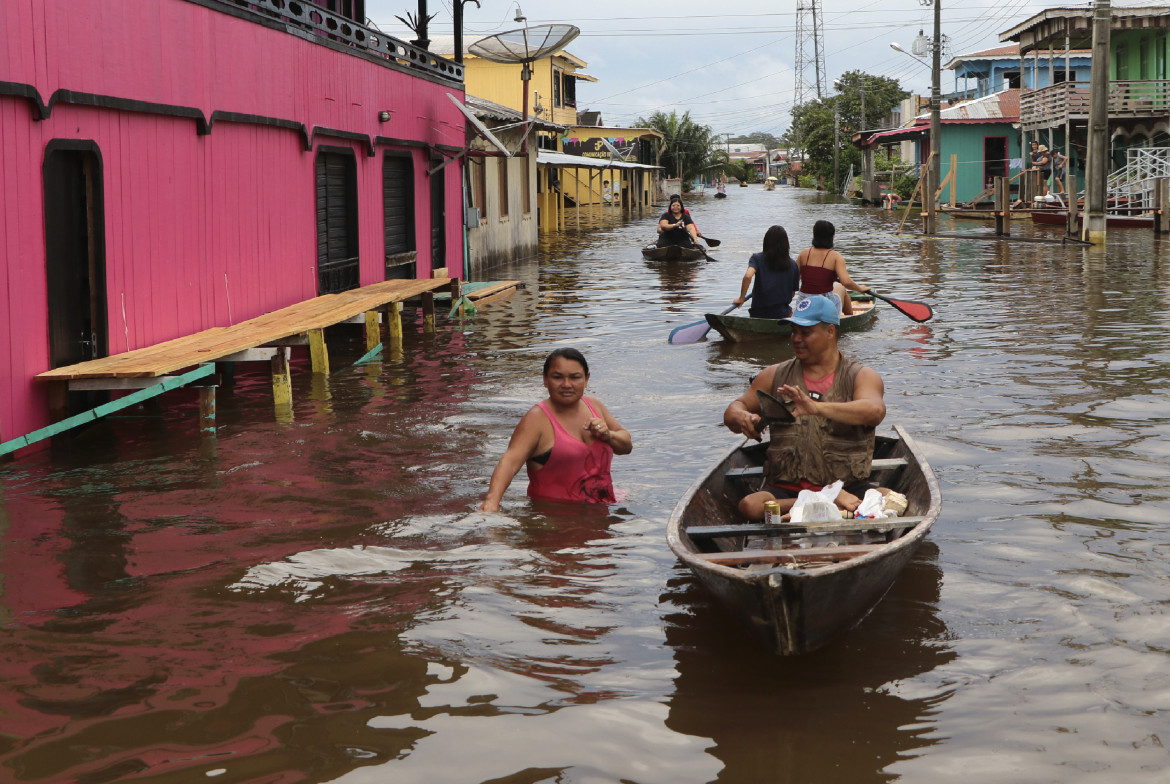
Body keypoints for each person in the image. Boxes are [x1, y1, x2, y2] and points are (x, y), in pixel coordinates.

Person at [722, 295, 887, 521]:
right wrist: (742, 417)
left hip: (848, 486)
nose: (796, 339)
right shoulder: (774, 374)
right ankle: (826, 501)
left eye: (805, 332)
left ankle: (829, 499)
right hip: (788, 489)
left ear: (830, 332)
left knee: (892, 499)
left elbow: (874, 411)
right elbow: (733, 410)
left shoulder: (861, 376)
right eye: (793, 331)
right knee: (751, 505)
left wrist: (817, 408)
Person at [481, 348, 632, 512]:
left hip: (601, 513)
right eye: (557, 377)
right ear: (545, 380)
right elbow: (510, 462)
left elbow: (626, 446)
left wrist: (608, 435)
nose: (566, 385)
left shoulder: (594, 406)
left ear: (586, 379)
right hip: (555, 519)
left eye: (575, 377)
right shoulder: (536, 419)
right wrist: (491, 502)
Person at [794, 220, 869, 316]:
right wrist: (860, 288)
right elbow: (846, 282)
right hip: (825, 303)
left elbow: (795, 278)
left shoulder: (803, 254)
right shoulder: (836, 257)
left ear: (814, 235)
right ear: (832, 237)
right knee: (841, 288)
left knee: (837, 289)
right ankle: (850, 318)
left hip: (804, 302)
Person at [732, 225, 800, 319]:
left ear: (766, 242)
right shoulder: (793, 264)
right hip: (781, 313)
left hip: (757, 313)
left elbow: (748, 276)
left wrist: (742, 298)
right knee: (794, 311)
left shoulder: (757, 258)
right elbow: (792, 293)